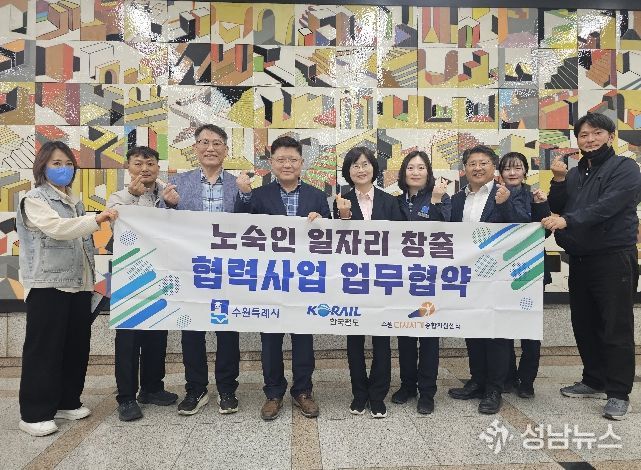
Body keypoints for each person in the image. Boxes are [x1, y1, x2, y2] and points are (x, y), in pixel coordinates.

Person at [542, 112, 641, 420]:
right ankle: (594, 379)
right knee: (584, 323)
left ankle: (618, 393)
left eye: (596, 133)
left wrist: (568, 220)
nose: (590, 139)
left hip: (614, 257)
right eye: (583, 135)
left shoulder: (625, 168)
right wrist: (558, 180)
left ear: (610, 136)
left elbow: (607, 206)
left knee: (615, 326)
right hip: (581, 258)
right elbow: (558, 206)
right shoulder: (575, 173)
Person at [15, 141, 118, 436]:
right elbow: (58, 229)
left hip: (79, 285)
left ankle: (67, 401)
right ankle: (34, 414)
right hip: (48, 285)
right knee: (44, 349)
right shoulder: (34, 199)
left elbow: (82, 242)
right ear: (42, 167)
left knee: (75, 346)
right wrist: (96, 219)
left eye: (68, 163)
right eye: (56, 163)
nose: (64, 169)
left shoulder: (74, 200)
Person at [235, 135, 330, 421]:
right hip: (270, 280)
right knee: (270, 341)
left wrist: (321, 223)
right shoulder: (259, 196)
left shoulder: (316, 196)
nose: (287, 164)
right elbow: (240, 228)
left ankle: (303, 391)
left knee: (303, 340)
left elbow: (330, 238)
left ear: (302, 163)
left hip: (304, 280)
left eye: (292, 159)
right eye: (281, 160)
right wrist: (243, 195)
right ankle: (273, 393)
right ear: (271, 163)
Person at [161, 124, 241, 416]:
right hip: (190, 268)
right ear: (195, 148)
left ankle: (227, 389)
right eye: (204, 142)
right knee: (191, 331)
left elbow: (251, 222)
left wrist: (246, 196)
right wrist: (168, 206)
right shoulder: (177, 184)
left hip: (228, 269)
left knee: (227, 330)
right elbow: (159, 224)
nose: (210, 148)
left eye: (217, 143)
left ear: (226, 150)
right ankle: (196, 388)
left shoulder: (238, 185)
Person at [446, 145, 530, 415]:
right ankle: (477, 380)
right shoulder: (457, 199)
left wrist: (506, 205)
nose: (477, 168)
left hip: (499, 275)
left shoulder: (506, 193)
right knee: (472, 328)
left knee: (496, 332)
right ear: (464, 169)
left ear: (494, 167)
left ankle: (495, 388)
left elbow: (524, 227)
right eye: (472, 163)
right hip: (469, 276)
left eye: (483, 163)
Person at [107, 146, 178, 421]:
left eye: (150, 163)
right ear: (128, 168)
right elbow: (116, 226)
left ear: (158, 168)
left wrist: (173, 206)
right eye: (138, 164)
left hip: (160, 274)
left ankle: (152, 388)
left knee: (156, 336)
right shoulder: (119, 198)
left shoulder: (167, 194)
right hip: (130, 278)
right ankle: (126, 397)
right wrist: (133, 198)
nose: (145, 169)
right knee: (128, 339)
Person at [334, 146, 403, 418]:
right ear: (348, 171)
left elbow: (399, 239)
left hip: (382, 280)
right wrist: (344, 217)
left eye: (365, 164)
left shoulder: (389, 201)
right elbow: (334, 243)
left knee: (382, 340)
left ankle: (377, 395)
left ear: (374, 168)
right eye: (355, 165)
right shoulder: (340, 201)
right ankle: (359, 394)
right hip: (353, 281)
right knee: (354, 341)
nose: (360, 169)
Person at [391, 150, 451, 415]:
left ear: (429, 173)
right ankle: (407, 386)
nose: (415, 172)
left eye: (421, 168)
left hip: (430, 279)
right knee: (405, 334)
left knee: (428, 337)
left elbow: (444, 231)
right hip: (402, 279)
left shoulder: (441, 198)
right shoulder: (396, 201)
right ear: (403, 173)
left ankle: (427, 392)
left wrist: (435, 202)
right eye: (410, 168)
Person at [498, 152, 550, 399]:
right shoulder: (495, 195)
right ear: (500, 173)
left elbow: (542, 231)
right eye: (507, 168)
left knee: (530, 329)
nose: (512, 173)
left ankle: (527, 380)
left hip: (532, 271)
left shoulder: (535, 196)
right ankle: (508, 376)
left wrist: (542, 206)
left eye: (517, 168)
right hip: (502, 271)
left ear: (525, 172)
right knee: (504, 327)